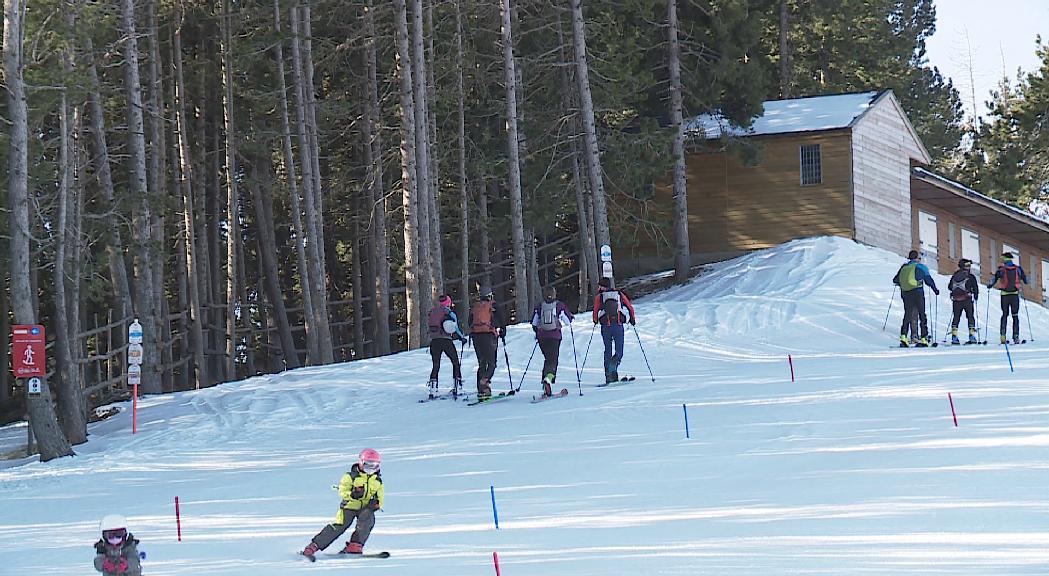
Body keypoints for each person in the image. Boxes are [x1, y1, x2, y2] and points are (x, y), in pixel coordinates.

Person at [302, 449, 385, 560]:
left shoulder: (377, 480)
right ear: (361, 463)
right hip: (349, 507)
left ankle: (355, 545)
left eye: (374, 465)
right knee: (340, 526)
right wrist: (352, 494)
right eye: (367, 465)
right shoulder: (350, 476)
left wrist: (377, 504)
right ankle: (314, 546)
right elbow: (342, 490)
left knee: (368, 520)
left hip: (365, 508)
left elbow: (380, 496)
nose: (370, 469)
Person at [531, 285, 575, 397]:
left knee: (547, 359)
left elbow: (534, 323)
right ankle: (548, 379)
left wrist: (538, 332)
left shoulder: (540, 306)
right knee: (553, 360)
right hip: (554, 336)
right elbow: (567, 321)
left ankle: (546, 386)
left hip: (542, 337)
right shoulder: (559, 305)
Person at [592, 277, 636, 383]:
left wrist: (595, 321)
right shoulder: (619, 294)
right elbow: (629, 307)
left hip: (606, 327)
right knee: (619, 351)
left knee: (608, 350)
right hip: (618, 325)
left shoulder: (599, 297)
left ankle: (609, 374)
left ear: (602, 286)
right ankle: (613, 369)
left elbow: (595, 312)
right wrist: (632, 319)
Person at [892, 250, 939, 347]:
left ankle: (903, 336)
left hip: (906, 293)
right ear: (917, 258)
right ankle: (923, 338)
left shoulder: (904, 267)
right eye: (919, 258)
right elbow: (928, 279)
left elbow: (895, 280)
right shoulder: (920, 267)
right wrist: (935, 290)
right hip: (917, 292)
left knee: (907, 314)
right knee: (922, 314)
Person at [469, 286, 506, 401]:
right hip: (488, 336)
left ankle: (481, 390)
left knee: (482, 362)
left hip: (476, 336)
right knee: (491, 363)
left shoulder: (476, 306)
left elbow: (470, 321)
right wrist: (502, 332)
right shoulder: (493, 305)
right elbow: (501, 320)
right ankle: (485, 381)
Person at [426, 295, 467, 399]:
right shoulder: (449, 313)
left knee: (436, 364)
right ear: (449, 303)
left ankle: (433, 389)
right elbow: (455, 327)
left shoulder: (433, 312)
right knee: (455, 362)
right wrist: (462, 337)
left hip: (434, 341)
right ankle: (458, 386)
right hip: (446, 340)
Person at [986, 251, 1029, 344]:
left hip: (1004, 295)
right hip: (1014, 294)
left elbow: (994, 279)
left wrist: (989, 286)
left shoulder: (1001, 269)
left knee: (1004, 314)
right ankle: (1016, 336)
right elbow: (1026, 280)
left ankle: (1002, 336)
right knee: (1015, 315)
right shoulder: (1018, 269)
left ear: (1004, 259)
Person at [947, 258, 980, 345]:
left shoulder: (955, 275)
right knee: (970, 316)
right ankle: (972, 335)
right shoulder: (970, 276)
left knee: (956, 317)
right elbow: (975, 288)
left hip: (956, 300)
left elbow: (950, 287)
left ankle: (954, 336)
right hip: (967, 299)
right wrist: (975, 295)